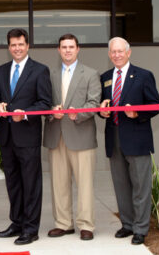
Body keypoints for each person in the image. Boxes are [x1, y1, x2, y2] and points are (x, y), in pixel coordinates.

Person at [0, 28, 52, 245]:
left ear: (27, 46)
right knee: (13, 183)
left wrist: (24, 114)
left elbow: (45, 103)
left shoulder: (40, 70)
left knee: (31, 184)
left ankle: (30, 229)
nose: (17, 48)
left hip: (27, 137)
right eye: (13, 45)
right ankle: (16, 223)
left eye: (20, 44)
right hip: (7, 137)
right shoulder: (1, 70)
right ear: (9, 47)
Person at [98, 36, 159, 245]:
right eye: (113, 52)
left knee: (141, 186)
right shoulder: (106, 77)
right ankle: (127, 224)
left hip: (137, 138)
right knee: (121, 185)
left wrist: (137, 114)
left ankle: (141, 228)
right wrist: (103, 112)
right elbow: (102, 106)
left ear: (129, 52)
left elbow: (155, 105)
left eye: (120, 51)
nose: (116, 55)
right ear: (109, 54)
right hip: (114, 137)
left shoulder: (143, 75)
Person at [43, 33, 102, 241]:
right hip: (56, 135)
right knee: (59, 183)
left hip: (81, 135)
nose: (67, 50)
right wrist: (52, 111)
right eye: (63, 47)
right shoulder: (49, 75)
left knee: (85, 184)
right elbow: (43, 102)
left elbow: (94, 103)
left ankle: (86, 225)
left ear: (78, 49)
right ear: (58, 51)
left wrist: (80, 113)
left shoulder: (91, 74)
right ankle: (63, 223)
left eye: (71, 47)